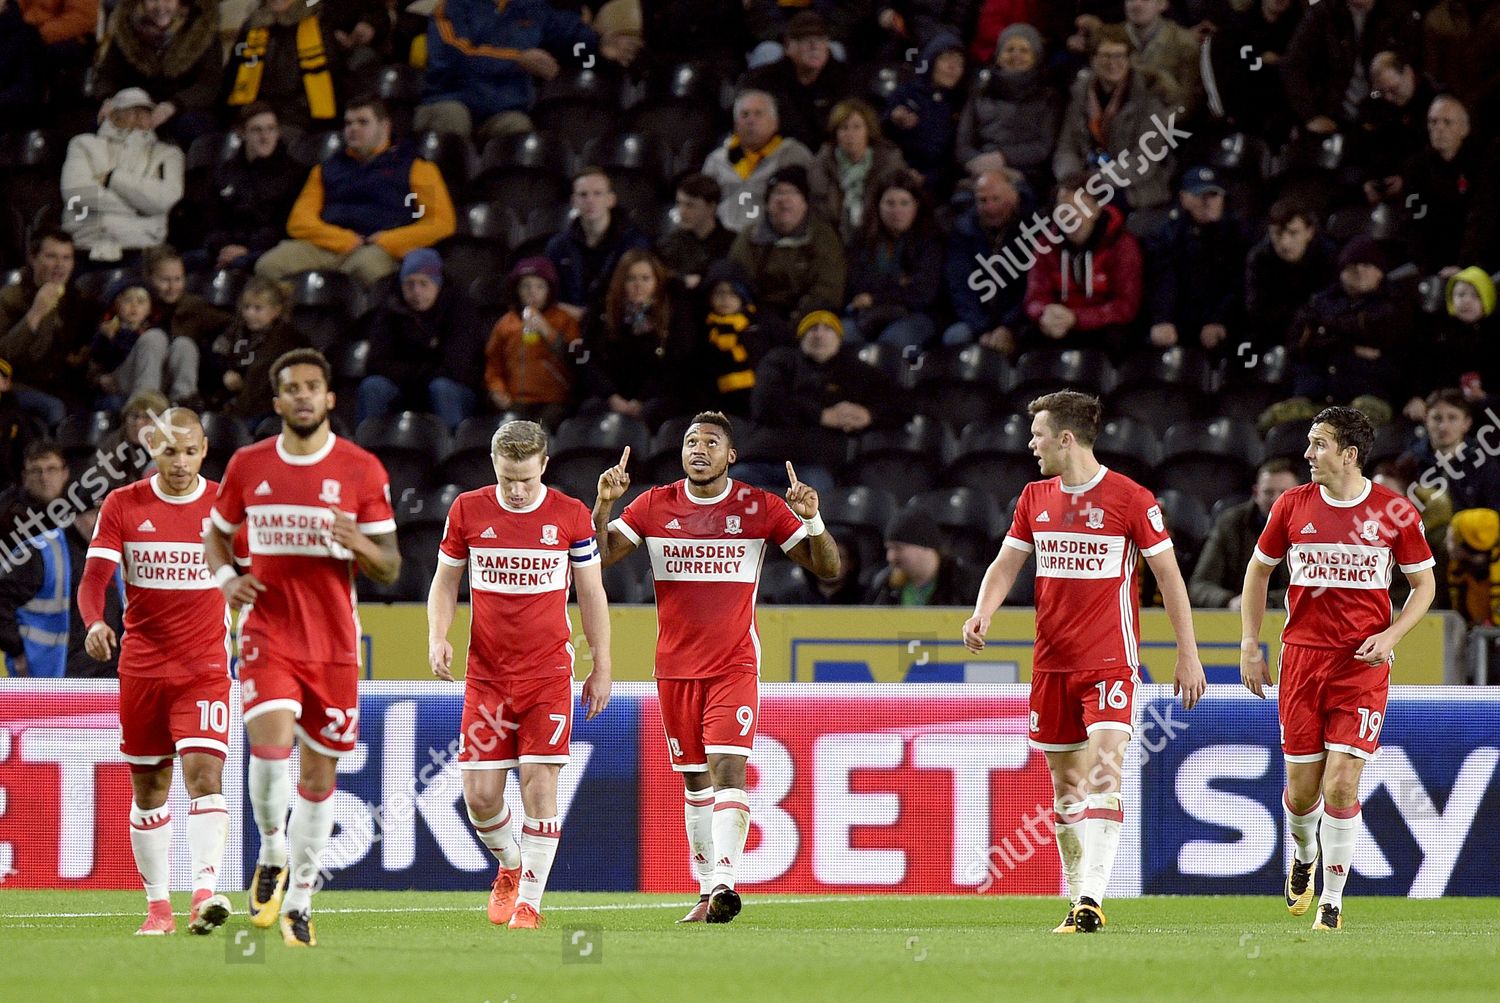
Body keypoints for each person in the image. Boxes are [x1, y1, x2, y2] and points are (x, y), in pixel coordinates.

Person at [963, 390, 1206, 934]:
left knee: (1103, 774)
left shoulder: (1130, 498)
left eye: (1038, 434)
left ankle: (1092, 897)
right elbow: (1006, 564)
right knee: (1066, 790)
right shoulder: (1034, 497)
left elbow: (1169, 580)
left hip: (1110, 662)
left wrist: (1187, 654)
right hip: (1051, 664)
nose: (1031, 444)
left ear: (1065, 439)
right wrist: (984, 612)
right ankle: (1077, 896)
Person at [592, 412, 841, 923]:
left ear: (731, 456)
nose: (698, 449)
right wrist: (603, 505)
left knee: (729, 769)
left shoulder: (759, 506)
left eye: (710, 442)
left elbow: (828, 569)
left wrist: (812, 519)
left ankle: (727, 879)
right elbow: (596, 558)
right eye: (690, 441)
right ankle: (707, 893)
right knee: (694, 781)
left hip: (733, 664)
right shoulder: (654, 504)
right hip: (675, 668)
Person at [202, 347, 400, 947]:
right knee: (268, 752)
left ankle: (302, 902)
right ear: (278, 400)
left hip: (335, 645)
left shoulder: (362, 470)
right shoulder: (247, 465)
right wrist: (226, 578)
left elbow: (391, 566)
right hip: (268, 632)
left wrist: (358, 545)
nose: (304, 396)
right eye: (292, 388)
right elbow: (215, 533)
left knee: (318, 775)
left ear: (330, 397)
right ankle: (270, 849)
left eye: (314, 386)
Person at [1240, 406, 1435, 931]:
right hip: (1301, 660)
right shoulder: (1290, 506)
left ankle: (1332, 900)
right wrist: (1249, 645)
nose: (1308, 454)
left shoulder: (1394, 512)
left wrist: (1391, 635)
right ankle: (1304, 856)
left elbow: (1424, 586)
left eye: (1318, 444)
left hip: (1361, 666)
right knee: (1303, 792)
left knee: (1341, 787)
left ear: (1349, 454)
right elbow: (1258, 574)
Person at [427, 419, 612, 929]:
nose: (515, 489)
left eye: (526, 479)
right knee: (480, 798)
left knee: (539, 784)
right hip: (486, 676)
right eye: (507, 477)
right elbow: (445, 584)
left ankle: (529, 902)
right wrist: (437, 635)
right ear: (494, 465)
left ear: (544, 467)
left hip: (547, 674)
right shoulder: (467, 509)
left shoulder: (571, 516)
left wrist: (602, 662)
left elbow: (591, 592)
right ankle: (510, 865)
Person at [77, 407, 233, 936]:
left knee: (205, 776)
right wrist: (95, 622)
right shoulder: (122, 505)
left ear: (205, 449)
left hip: (205, 668)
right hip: (142, 668)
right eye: (169, 451)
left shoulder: (225, 507)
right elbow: (94, 579)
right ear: (152, 450)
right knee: (150, 789)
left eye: (190, 451)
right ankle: (159, 907)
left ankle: (205, 893)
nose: (180, 462)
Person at [256, 96, 456, 287]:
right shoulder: (325, 169)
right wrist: (345, 240)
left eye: (362, 122)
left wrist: (388, 240)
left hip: (381, 249)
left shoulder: (417, 167)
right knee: (269, 265)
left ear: (384, 126)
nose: (353, 129)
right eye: (349, 123)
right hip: (328, 246)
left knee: (364, 267)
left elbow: (440, 222)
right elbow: (299, 222)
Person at [416, 0, 640, 142]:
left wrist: (599, 43)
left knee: (520, 132)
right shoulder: (451, 7)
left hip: (501, 111)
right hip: (450, 100)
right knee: (453, 117)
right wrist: (517, 59)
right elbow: (457, 54)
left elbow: (569, 32)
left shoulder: (532, 9)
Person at [357, 248, 484, 430]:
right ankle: (368, 448)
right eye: (409, 284)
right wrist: (423, 374)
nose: (416, 292)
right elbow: (376, 363)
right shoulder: (390, 309)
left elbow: (457, 367)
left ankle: (451, 448)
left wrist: (413, 374)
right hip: (407, 386)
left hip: (451, 388)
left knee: (441, 388)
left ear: (437, 284)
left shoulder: (461, 309)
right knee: (373, 387)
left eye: (424, 284)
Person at [1021, 171, 1144, 356]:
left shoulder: (1121, 244)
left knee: (1118, 338)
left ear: (1096, 210)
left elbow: (1126, 306)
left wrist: (1077, 318)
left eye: (1080, 208)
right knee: (1027, 335)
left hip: (1102, 325)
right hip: (1060, 323)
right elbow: (1034, 296)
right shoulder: (1045, 244)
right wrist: (1045, 313)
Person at [1053, 27, 1176, 211]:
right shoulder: (1080, 95)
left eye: (1119, 56)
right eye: (1105, 56)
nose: (1112, 63)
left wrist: (1098, 179)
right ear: (1092, 59)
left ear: (1128, 60)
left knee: (1096, 210)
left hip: (1135, 184)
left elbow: (1144, 160)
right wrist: (1071, 177)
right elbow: (1066, 147)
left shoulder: (1149, 98)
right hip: (1088, 180)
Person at [60, 89, 186, 266]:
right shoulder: (83, 144)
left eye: (144, 112)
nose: (137, 118)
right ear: (112, 115)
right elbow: (75, 195)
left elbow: (165, 200)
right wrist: (140, 208)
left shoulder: (168, 154)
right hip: (86, 244)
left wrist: (113, 179)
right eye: (130, 111)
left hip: (141, 248)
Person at [0, 498, 124, 678]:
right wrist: (17, 651)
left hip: (108, 676)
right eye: (93, 514)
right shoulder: (40, 551)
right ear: (75, 514)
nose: (101, 523)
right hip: (52, 678)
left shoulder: (117, 549)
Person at [580, 249, 698, 428]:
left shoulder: (673, 314)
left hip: (656, 396)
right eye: (631, 278)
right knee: (589, 412)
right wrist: (612, 397)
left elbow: (675, 364)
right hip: (613, 395)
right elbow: (589, 361)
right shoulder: (603, 313)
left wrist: (641, 400)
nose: (638, 285)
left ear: (657, 281)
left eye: (645, 278)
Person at [1287, 235, 1405, 405]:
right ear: (1341, 272)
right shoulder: (1319, 302)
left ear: (1380, 272)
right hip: (1315, 395)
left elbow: (1378, 333)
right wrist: (1350, 346)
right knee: (1273, 421)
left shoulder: (1393, 303)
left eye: (1367, 265)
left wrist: (1324, 331)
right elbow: (1296, 345)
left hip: (1367, 397)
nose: (1359, 270)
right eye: (1352, 265)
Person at [1144, 166, 1248, 354]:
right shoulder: (1169, 235)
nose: (1208, 203)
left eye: (1214, 196)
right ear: (1184, 199)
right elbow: (1163, 281)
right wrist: (1163, 319)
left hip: (1224, 320)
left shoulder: (1238, 235)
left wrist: (1218, 320)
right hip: (1181, 319)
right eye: (1201, 196)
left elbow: (1238, 285)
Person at [728, 163, 847, 326]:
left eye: (792, 193)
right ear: (768, 203)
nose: (784, 200)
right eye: (778, 193)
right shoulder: (750, 236)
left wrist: (797, 319)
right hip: (759, 316)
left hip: (808, 319)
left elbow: (828, 288)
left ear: (805, 203)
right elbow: (737, 278)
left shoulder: (822, 236)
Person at [0, 229, 97, 425]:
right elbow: (3, 355)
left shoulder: (78, 299)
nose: (60, 265)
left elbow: (85, 350)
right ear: (33, 258)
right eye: (51, 256)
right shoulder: (10, 297)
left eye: (66, 258)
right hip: (20, 385)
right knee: (54, 408)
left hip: (65, 388)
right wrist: (36, 314)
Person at [93, 0, 223, 146]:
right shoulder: (126, 30)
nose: (160, 6)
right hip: (133, 106)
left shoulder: (203, 31)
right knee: (97, 123)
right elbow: (106, 75)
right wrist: (109, 99)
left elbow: (208, 84)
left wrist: (172, 106)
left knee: (195, 127)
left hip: (183, 109)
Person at [955, 23, 1061, 195]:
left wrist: (1003, 157)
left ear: (1036, 56)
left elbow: (1042, 146)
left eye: (1024, 50)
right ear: (998, 55)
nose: (1016, 55)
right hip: (980, 169)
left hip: (1026, 174)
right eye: (1009, 49)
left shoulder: (1048, 95)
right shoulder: (981, 90)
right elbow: (963, 142)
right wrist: (977, 163)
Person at [843, 168, 943, 349]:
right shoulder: (862, 238)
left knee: (890, 345)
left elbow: (923, 292)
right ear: (878, 205)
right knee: (843, 336)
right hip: (864, 314)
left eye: (904, 203)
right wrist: (899, 282)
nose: (897, 211)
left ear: (916, 205)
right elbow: (855, 283)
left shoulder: (930, 239)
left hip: (916, 315)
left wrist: (874, 298)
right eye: (890, 203)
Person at [201, 103, 302, 273]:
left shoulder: (295, 173)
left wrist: (247, 250)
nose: (265, 137)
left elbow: (285, 228)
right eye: (257, 130)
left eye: (271, 129)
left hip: (267, 251)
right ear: (242, 133)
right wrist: (225, 248)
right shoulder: (223, 171)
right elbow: (212, 221)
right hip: (225, 251)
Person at [484, 257, 582, 431]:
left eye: (539, 286)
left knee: (539, 434)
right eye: (525, 286)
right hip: (516, 401)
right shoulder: (506, 323)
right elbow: (494, 365)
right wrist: (497, 390)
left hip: (554, 401)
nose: (532, 292)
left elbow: (577, 360)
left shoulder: (564, 320)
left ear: (549, 290)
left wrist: (547, 331)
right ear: (516, 290)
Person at [1189, 458, 1299, 609]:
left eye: (1283, 493)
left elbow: (1319, 588)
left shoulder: (1315, 529)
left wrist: (1269, 601)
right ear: (1256, 493)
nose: (1276, 500)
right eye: (1268, 492)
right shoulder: (1229, 524)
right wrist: (1229, 601)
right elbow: (1199, 586)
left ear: (1298, 495)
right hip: (1237, 620)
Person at [544, 167, 651, 320]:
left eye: (597, 193)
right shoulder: (558, 246)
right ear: (574, 201)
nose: (590, 200)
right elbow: (550, 293)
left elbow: (640, 294)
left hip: (617, 325)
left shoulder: (634, 243)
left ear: (610, 200)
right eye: (583, 194)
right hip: (569, 324)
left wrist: (589, 316)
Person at [702, 90, 814, 233]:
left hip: (775, 240)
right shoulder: (717, 160)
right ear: (736, 125)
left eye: (758, 114)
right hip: (724, 242)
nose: (751, 120)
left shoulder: (794, 155)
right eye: (745, 115)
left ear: (775, 123)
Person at [942, 168, 1028, 352]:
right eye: (982, 200)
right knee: (955, 337)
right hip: (977, 322)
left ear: (1014, 198)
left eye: (996, 199)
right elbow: (960, 287)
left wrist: (1007, 326)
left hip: (1018, 320)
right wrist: (982, 329)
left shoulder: (1032, 229)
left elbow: (1031, 287)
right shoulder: (963, 231)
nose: (989, 207)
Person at [222, 0, 340, 134]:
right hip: (252, 114)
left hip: (300, 118)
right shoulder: (251, 27)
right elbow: (232, 73)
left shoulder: (318, 26)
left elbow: (333, 78)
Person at [740, 11, 852, 151]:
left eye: (820, 39)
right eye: (805, 39)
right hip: (779, 155)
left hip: (830, 157)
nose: (814, 46)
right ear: (787, 45)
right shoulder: (763, 81)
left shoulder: (846, 78)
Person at [205, 276, 308, 424]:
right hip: (230, 396)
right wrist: (225, 372)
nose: (250, 314)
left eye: (258, 308)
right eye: (247, 307)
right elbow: (216, 353)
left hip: (263, 407)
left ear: (276, 310)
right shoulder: (237, 330)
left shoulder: (286, 338)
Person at [1243, 198, 1337, 355]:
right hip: (1272, 335)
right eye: (1277, 233)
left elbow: (1331, 308)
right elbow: (1257, 310)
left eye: (1293, 233)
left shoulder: (1329, 256)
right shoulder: (1259, 258)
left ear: (1309, 232)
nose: (1285, 242)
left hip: (1318, 336)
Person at [807, 98, 907, 244]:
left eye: (857, 127)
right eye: (844, 128)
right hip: (833, 239)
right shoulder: (822, 165)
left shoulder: (889, 163)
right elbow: (818, 210)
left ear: (868, 130)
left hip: (880, 240)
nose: (850, 134)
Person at [882, 31, 966, 191]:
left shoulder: (959, 105)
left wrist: (927, 179)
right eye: (946, 59)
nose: (952, 67)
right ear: (930, 61)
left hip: (936, 185)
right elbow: (880, 133)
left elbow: (951, 159)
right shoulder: (906, 93)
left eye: (959, 63)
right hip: (894, 174)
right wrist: (893, 119)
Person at [865, 507, 981, 606]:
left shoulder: (965, 584)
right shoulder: (884, 586)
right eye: (889, 549)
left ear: (925, 546)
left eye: (898, 548)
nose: (890, 557)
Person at [654, 174, 737, 291]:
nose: (682, 212)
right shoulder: (667, 245)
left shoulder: (732, 244)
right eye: (679, 203)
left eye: (690, 205)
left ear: (711, 208)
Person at [0, 441, 70, 550]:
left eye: (51, 469)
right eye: (36, 471)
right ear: (25, 478)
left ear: (65, 473)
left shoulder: (80, 507)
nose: (44, 478)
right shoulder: (7, 516)